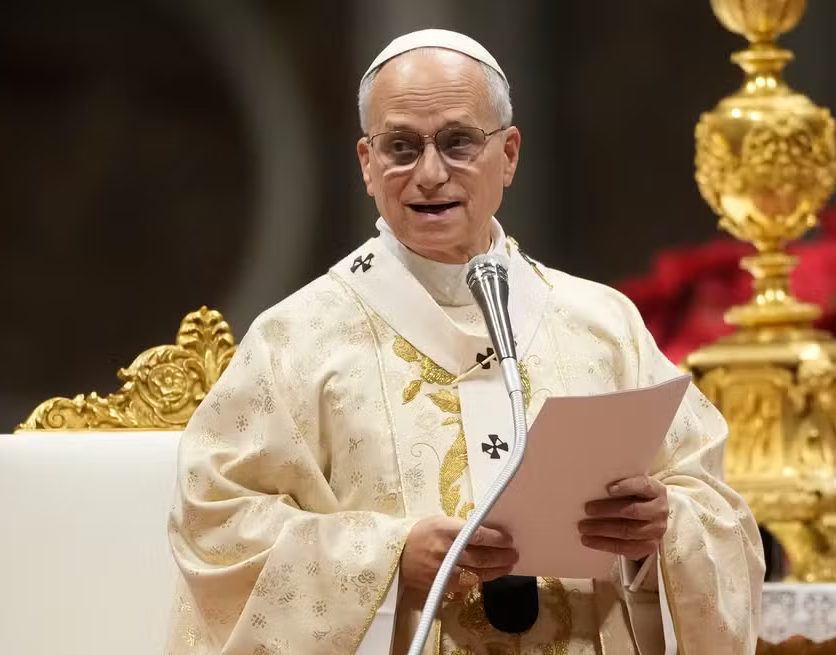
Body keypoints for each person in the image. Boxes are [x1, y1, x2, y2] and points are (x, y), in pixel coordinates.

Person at [165, 28, 764, 654]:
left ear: (508, 154)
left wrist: (657, 532)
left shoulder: (601, 326)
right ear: (367, 163)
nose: (430, 175)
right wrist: (389, 558)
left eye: (458, 142)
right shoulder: (295, 340)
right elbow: (215, 528)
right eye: (401, 147)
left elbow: (718, 514)